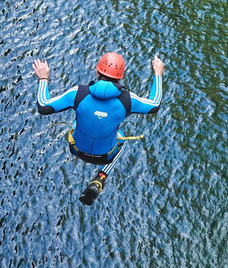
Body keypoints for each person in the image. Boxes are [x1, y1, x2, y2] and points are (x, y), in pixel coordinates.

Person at [33, 51, 165, 203]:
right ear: (120, 78)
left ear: (97, 72)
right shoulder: (127, 100)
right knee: (121, 137)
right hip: (105, 156)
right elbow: (154, 104)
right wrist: (158, 73)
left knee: (77, 122)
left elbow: (43, 106)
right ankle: (101, 177)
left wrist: (43, 78)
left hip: (76, 149)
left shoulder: (78, 93)